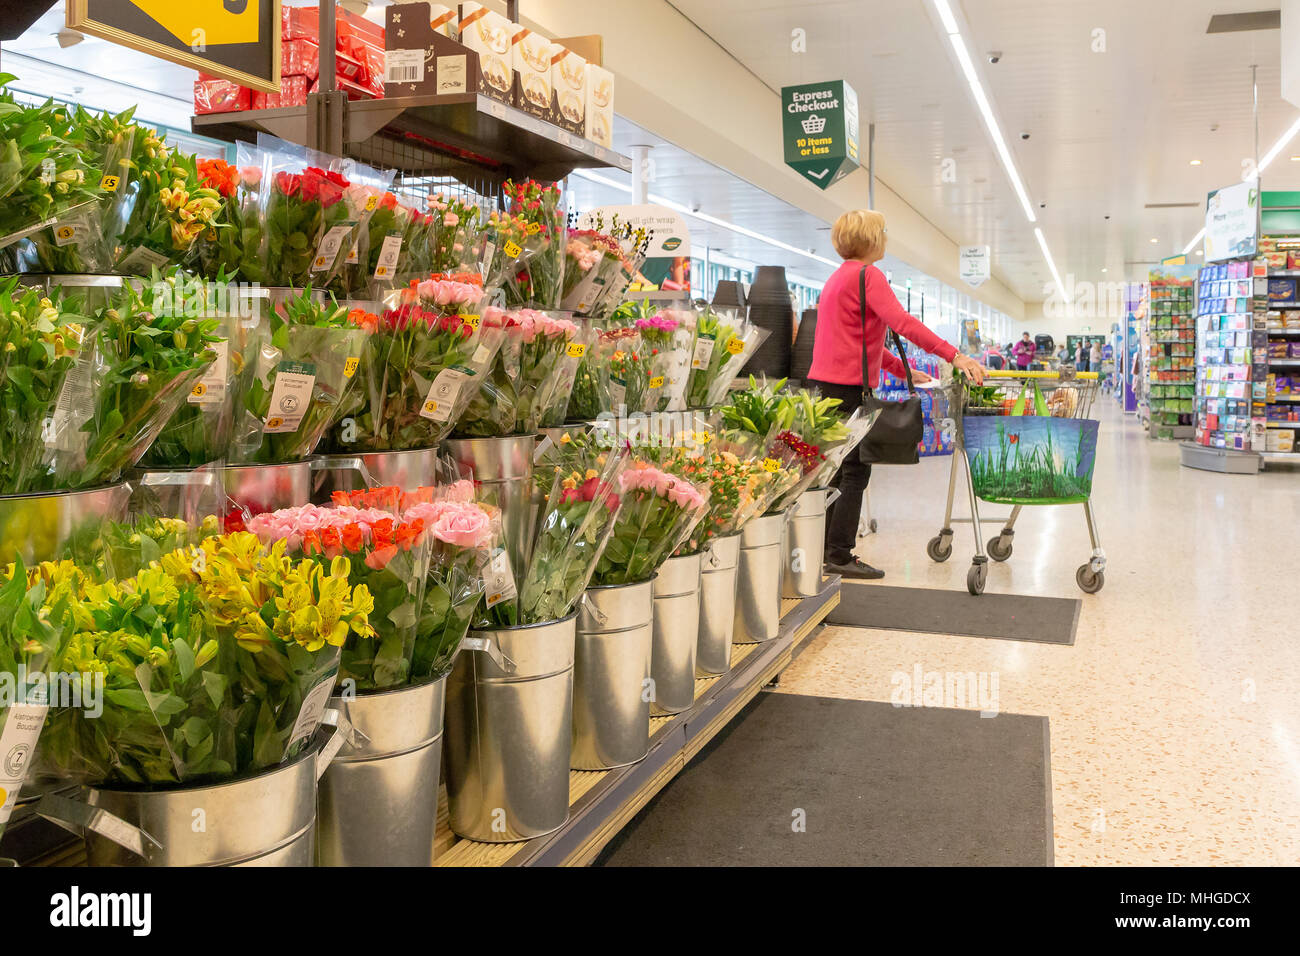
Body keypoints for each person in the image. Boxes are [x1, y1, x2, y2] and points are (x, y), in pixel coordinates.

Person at [806, 209, 987, 580]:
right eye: (883, 232)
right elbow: (902, 323)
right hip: (849, 390)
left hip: (826, 387)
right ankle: (838, 554)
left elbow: (857, 338)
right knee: (856, 470)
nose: (886, 238)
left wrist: (900, 370)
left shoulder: (837, 279)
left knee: (836, 471)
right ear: (872, 239)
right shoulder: (867, 275)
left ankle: (822, 549)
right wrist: (955, 355)